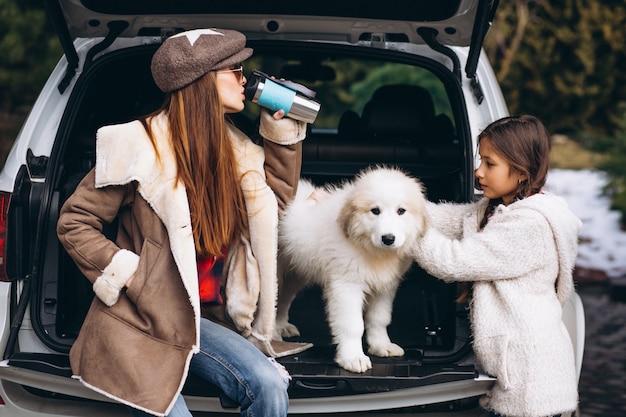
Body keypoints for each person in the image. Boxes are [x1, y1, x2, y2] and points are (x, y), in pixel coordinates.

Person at [56, 28, 308, 417]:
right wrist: (132, 275)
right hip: (146, 318)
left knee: (269, 385)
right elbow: (75, 221)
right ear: (203, 80)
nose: (246, 80)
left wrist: (279, 134)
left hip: (207, 319)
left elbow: (276, 205)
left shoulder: (238, 152)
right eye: (236, 71)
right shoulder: (137, 145)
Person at [410, 115, 581, 417]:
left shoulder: (529, 226)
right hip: (515, 376)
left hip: (532, 386)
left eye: (490, 164)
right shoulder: (495, 210)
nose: (478, 171)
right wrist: (388, 201)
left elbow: (453, 261)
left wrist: (398, 227)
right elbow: (442, 217)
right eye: (481, 162)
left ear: (520, 170)